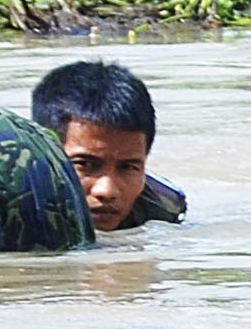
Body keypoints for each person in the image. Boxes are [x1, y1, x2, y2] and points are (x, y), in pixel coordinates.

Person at [28, 61, 185, 233]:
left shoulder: (163, 208)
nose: (107, 191)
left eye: (128, 167)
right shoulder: (3, 205)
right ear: (43, 155)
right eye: (85, 164)